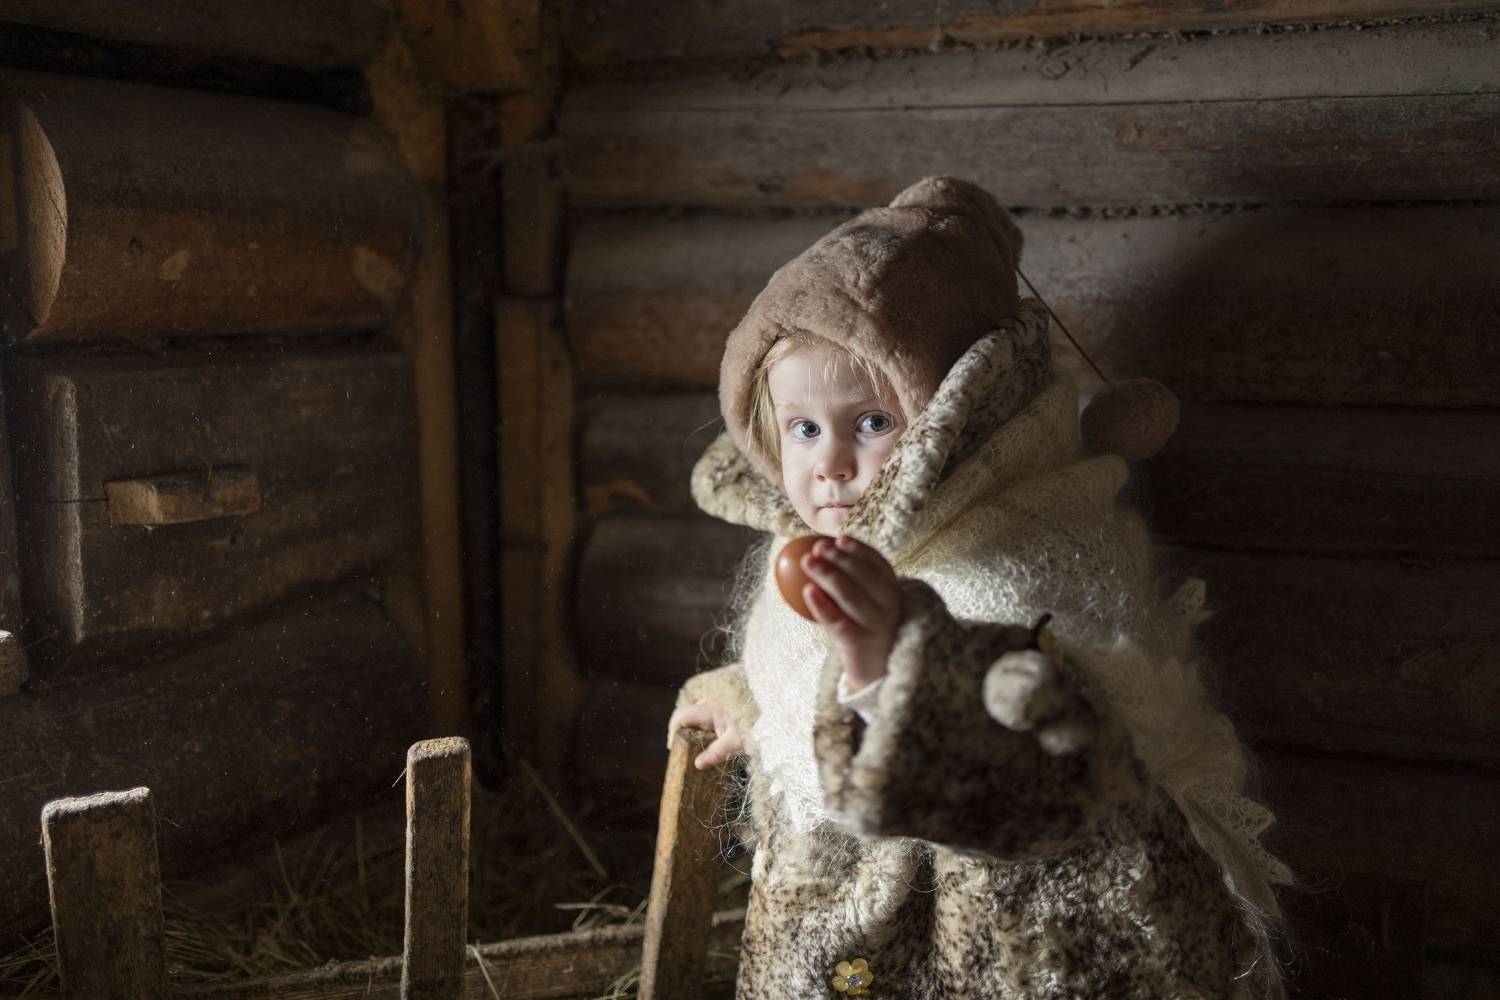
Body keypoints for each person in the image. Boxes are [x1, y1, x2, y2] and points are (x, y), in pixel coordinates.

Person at [666, 176, 1294, 999]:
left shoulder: (1027, 554)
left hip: (996, 932)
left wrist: (887, 663)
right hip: (835, 925)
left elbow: (1036, 742)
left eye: (873, 423)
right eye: (804, 429)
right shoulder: (813, 541)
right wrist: (747, 698)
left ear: (965, 420)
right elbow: (799, 676)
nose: (831, 463)